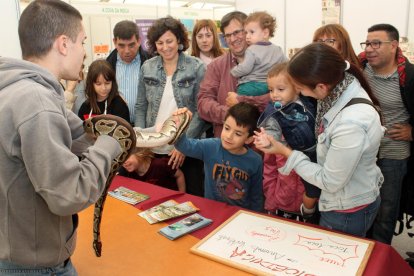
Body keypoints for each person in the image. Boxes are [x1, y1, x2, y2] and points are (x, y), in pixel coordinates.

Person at [0, 0, 132, 274]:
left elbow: (77, 133)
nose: (85, 52)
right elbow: (69, 195)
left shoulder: (16, 90)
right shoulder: (38, 103)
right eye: (82, 42)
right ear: (63, 44)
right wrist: (108, 145)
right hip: (35, 266)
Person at [254, 43, 384, 237]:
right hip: (347, 198)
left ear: (321, 87)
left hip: (345, 210)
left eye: (300, 89)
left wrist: (284, 152)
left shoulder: (350, 123)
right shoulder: (340, 86)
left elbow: (329, 181)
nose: (301, 94)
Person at [134, 16, 206, 197]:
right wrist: (142, 141)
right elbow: (141, 106)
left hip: (186, 149)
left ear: (179, 40)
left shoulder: (196, 67)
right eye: (159, 43)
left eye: (169, 41)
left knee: (192, 198)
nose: (165, 47)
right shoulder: (147, 67)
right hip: (154, 149)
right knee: (156, 200)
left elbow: (201, 111)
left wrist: (184, 145)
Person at [358, 24, 414, 244]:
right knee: (360, 207)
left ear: (394, 46)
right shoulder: (358, 68)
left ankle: (379, 258)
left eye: (376, 43)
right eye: (367, 43)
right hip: (361, 152)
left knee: (385, 212)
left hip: (393, 154)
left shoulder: (408, 77)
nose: (369, 49)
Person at [257, 62, 319, 222]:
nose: (274, 95)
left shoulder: (312, 102)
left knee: (313, 189)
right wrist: (267, 140)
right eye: (271, 90)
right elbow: (271, 129)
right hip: (285, 194)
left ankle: (309, 211)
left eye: (280, 89)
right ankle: (308, 211)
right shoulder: (275, 111)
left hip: (316, 156)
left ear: (297, 87)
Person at [173, 102, 264, 212]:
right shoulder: (211, 146)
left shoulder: (255, 160)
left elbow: (256, 196)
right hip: (211, 211)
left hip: (239, 216)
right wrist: (181, 122)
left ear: (249, 139)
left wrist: (256, 217)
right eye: (227, 128)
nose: (229, 136)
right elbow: (184, 146)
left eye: (238, 134)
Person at [197, 11, 271, 138]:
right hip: (225, 147)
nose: (232, 39)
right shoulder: (216, 66)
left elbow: (280, 98)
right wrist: (232, 115)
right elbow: (203, 103)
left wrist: (243, 102)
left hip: (261, 146)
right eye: (228, 35)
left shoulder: (271, 60)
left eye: (237, 32)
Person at [230, 11, 288, 96]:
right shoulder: (278, 49)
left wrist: (233, 71)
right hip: (269, 86)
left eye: (251, 32)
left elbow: (245, 68)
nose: (247, 36)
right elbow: (287, 65)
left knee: (239, 98)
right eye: (246, 32)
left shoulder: (252, 50)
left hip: (251, 86)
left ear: (265, 33)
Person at [106, 20, 151, 124]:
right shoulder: (107, 66)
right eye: (121, 45)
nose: (127, 51)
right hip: (116, 126)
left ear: (139, 41)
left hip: (146, 126)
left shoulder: (151, 63)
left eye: (131, 45)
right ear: (114, 42)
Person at [78, 59, 130, 123]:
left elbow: (126, 131)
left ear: (113, 82)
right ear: (91, 84)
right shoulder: (85, 107)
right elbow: (80, 131)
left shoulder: (119, 105)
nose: (103, 88)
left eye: (107, 83)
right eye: (98, 84)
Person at [119, 148, 186, 192]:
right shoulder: (129, 172)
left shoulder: (160, 164)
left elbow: (179, 175)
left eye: (127, 157)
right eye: (121, 159)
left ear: (139, 154)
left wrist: (182, 195)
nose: (124, 162)